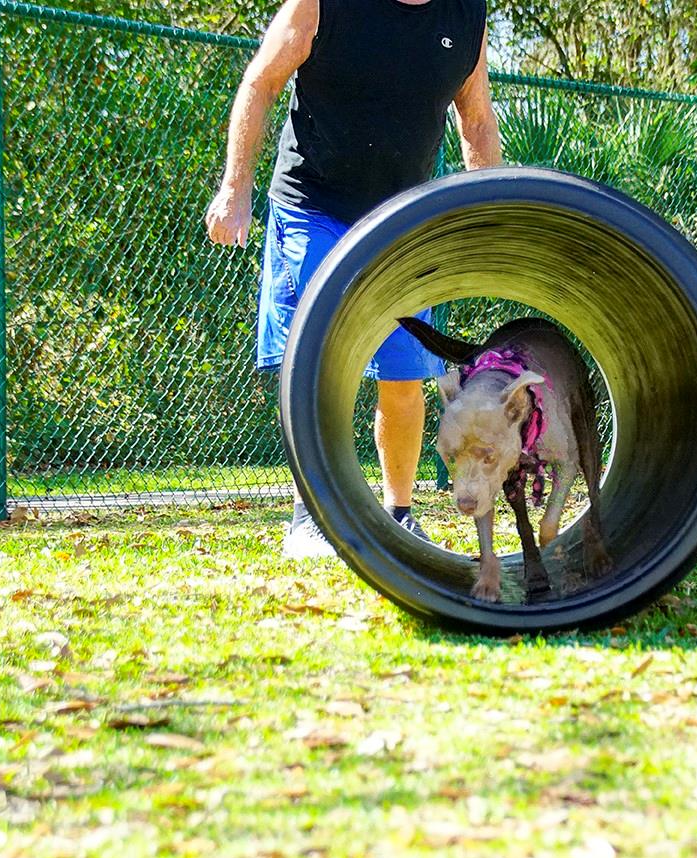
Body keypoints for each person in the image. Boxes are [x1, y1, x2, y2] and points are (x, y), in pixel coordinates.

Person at [204, 0, 502, 557]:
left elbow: (478, 120)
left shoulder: (466, 15)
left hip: (402, 219)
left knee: (403, 372)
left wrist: (483, 214)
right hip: (314, 204)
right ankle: (310, 514)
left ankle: (399, 514)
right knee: (314, 366)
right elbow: (261, 80)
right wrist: (234, 185)